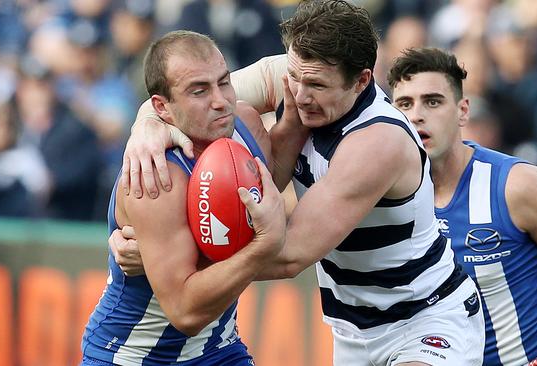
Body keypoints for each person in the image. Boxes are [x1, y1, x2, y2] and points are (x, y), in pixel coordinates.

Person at [112, 1, 486, 365]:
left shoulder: (376, 143)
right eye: (294, 77)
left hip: (424, 318)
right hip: (352, 328)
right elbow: (183, 95)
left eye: (317, 86)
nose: (300, 94)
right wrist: (145, 125)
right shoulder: (298, 73)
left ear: (362, 81)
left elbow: (288, 254)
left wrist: (167, 258)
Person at [386, 48, 537, 365]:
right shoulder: (385, 200)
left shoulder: (516, 185)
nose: (417, 115)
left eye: (433, 101)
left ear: (462, 111)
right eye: (405, 104)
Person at [80, 30, 286, 366]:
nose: (220, 100)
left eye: (224, 82)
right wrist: (264, 245)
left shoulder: (245, 123)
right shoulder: (154, 175)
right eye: (199, 91)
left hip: (219, 348)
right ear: (162, 107)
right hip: (136, 355)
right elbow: (185, 312)